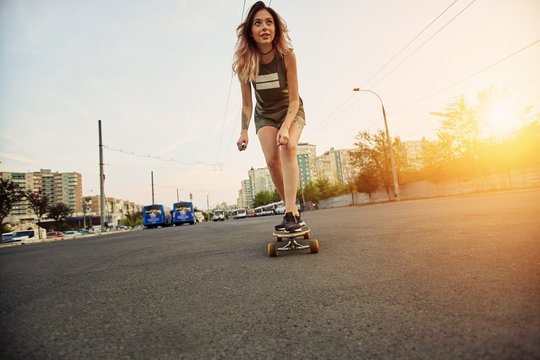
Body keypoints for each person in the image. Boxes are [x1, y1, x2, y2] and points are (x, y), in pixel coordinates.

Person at [233, 1, 306, 232]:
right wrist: (244, 131)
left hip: (291, 111)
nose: (264, 27)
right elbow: (247, 105)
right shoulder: (245, 64)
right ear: (250, 32)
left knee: (289, 147)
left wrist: (285, 128)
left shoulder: (286, 55)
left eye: (269, 22)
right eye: (258, 23)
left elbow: (294, 101)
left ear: (275, 28)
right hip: (264, 115)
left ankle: (290, 211)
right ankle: (291, 210)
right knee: (272, 161)